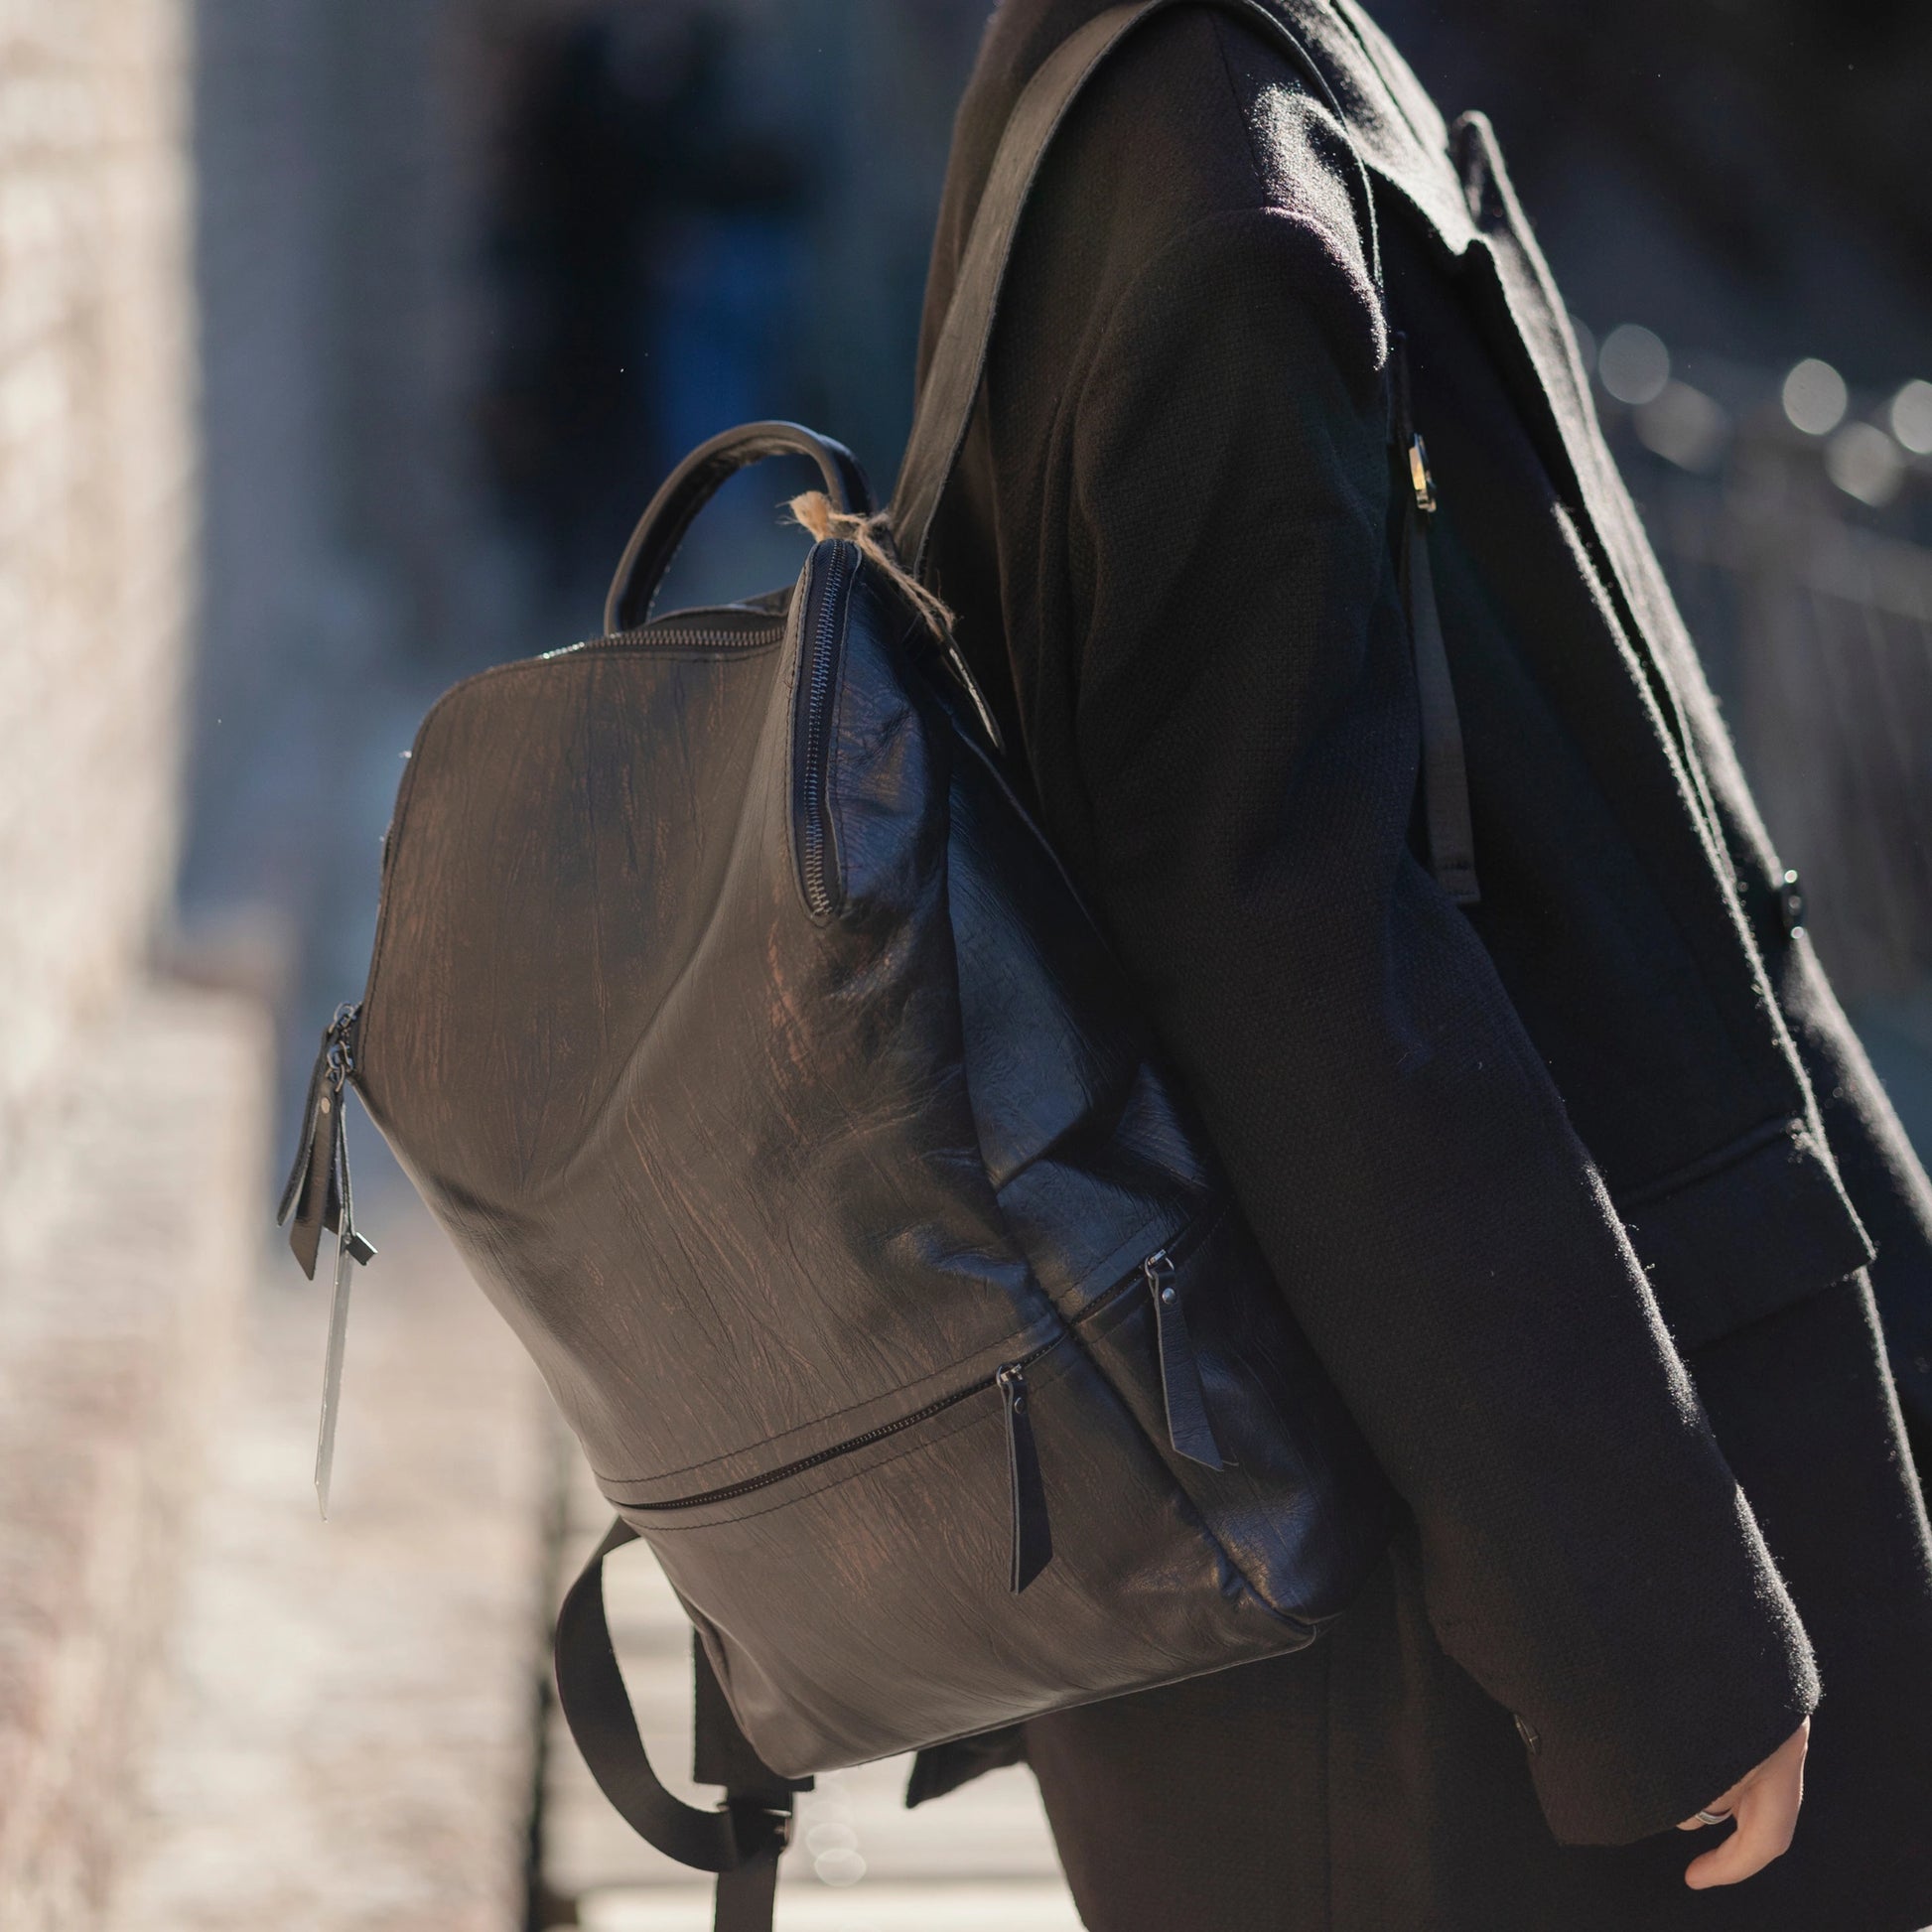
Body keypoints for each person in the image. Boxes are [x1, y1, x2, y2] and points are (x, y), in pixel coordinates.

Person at [906, 1, 1932, 1925]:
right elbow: (1298, 985)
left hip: (1448, 1549)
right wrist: (1650, 1634)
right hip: (1441, 1648)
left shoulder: (1194, 80)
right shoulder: (1219, 185)